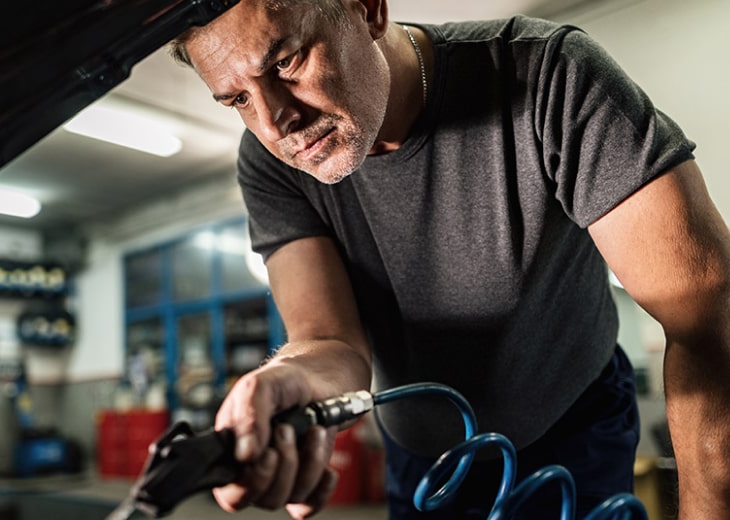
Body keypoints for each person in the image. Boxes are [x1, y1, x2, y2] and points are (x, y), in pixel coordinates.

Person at [169, 0, 730, 518]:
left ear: (367, 9)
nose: (274, 123)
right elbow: (328, 339)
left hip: (574, 428)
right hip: (423, 456)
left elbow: (711, 322)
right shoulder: (268, 162)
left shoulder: (548, 76)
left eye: (286, 62)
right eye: (238, 99)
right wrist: (291, 377)